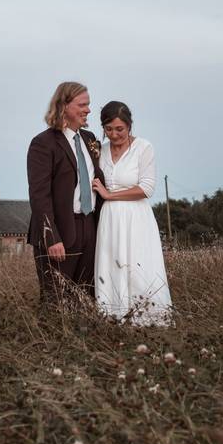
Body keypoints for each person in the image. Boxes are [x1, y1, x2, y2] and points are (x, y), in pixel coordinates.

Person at [92, 101, 172, 325]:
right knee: (111, 265)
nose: (114, 135)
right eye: (109, 129)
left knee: (138, 267)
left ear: (129, 126)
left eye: (120, 129)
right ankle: (112, 318)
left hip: (136, 218)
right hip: (109, 219)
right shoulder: (100, 150)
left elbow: (146, 188)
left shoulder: (144, 147)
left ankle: (148, 320)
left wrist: (109, 195)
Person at [27, 82, 105, 304]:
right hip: (60, 231)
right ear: (63, 106)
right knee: (57, 301)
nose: (88, 110)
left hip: (90, 227)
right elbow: (39, 196)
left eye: (88, 104)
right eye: (83, 104)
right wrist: (51, 238)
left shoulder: (90, 140)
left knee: (87, 299)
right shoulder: (43, 144)